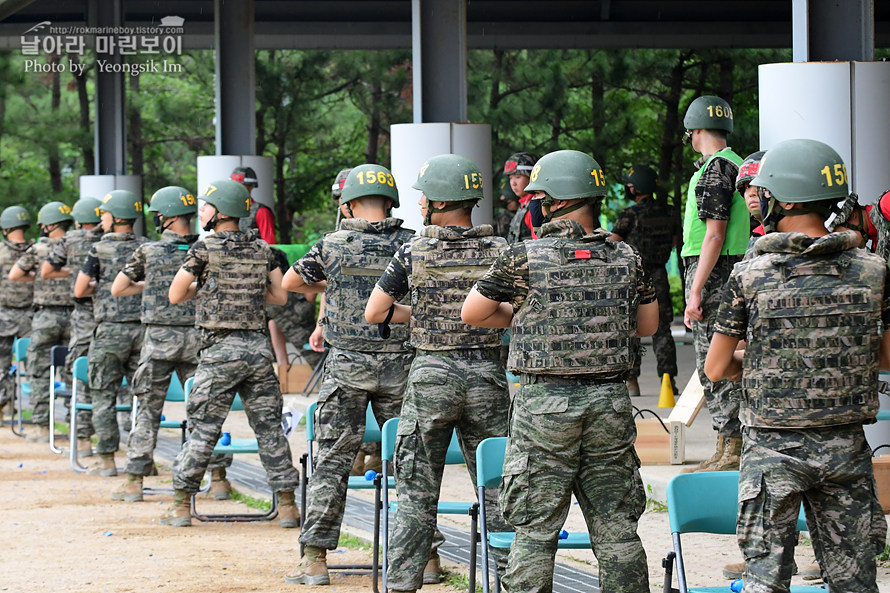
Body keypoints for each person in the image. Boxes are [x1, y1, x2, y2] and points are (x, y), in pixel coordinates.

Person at [462, 149, 657, 593]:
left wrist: (523, 315)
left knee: (534, 529)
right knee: (617, 528)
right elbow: (646, 325)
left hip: (543, 407)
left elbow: (473, 312)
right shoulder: (625, 257)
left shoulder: (523, 257)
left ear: (552, 201)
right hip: (609, 403)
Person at [704, 138, 889, 593]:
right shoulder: (872, 270)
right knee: (855, 582)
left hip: (772, 451)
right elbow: (885, 356)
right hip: (845, 444)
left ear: (782, 198)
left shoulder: (752, 273)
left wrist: (764, 361)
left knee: (766, 581)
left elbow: (716, 368)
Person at [365, 153, 511, 593]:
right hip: (487, 375)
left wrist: (427, 313)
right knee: (498, 490)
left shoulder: (414, 250)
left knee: (415, 494)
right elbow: (511, 315)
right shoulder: (501, 249)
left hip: (431, 376)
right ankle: (512, 581)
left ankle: (405, 584)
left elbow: (376, 312)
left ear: (437, 202)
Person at [281, 163, 415, 585]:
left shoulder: (333, 244)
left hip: (347, 368)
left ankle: (315, 561)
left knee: (332, 463)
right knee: (410, 466)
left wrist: (336, 288)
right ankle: (424, 559)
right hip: (402, 364)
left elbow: (289, 281)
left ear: (350, 203)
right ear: (390, 201)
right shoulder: (411, 244)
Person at [161, 179, 299, 528]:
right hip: (257, 352)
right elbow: (280, 297)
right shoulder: (262, 248)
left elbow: (177, 294)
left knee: (204, 429)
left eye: (206, 206)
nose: (201, 211)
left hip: (219, 352)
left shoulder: (203, 249)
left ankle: (180, 506)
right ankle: (287, 507)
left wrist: (209, 289)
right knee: (270, 430)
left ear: (221, 211)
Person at [107, 186, 233, 503]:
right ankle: (218, 479)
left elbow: (118, 288)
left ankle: (135, 481)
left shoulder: (148, 252)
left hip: (158, 342)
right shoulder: (207, 249)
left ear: (168, 217)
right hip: (198, 340)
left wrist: (152, 286)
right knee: (207, 414)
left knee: (147, 413)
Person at [680, 95, 748, 472]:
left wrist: (695, 290)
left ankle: (731, 448)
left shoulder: (714, 169)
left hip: (715, 272)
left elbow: (714, 234)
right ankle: (727, 446)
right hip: (728, 269)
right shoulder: (737, 165)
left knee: (714, 364)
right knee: (723, 362)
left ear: (697, 132)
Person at [74, 190, 148, 476]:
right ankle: (143, 460)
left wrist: (103, 288)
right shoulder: (147, 246)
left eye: (104, 213)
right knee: (143, 397)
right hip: (143, 331)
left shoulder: (99, 249)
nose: (100, 218)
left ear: (116, 217)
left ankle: (107, 461)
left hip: (110, 332)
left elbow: (80, 290)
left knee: (103, 395)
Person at [609, 163, 679, 397]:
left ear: (637, 188)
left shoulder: (630, 215)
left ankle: (632, 382)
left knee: (632, 327)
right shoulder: (669, 212)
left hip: (633, 276)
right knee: (662, 329)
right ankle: (668, 380)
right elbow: (674, 240)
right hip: (659, 274)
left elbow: (613, 242)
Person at [41, 197, 104, 456]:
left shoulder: (70, 240)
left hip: (83, 315)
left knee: (76, 374)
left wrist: (77, 274)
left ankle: (82, 439)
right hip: (112, 315)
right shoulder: (110, 239)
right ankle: (119, 434)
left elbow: (46, 271)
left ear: (78, 220)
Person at [9, 202, 75, 442]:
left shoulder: (38, 250)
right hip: (74, 315)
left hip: (45, 316)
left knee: (38, 371)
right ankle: (75, 427)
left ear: (48, 225)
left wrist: (40, 276)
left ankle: (41, 428)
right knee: (72, 372)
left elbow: (15, 275)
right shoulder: (75, 246)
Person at [0, 206, 34, 423]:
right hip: (32, 315)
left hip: (3, 315)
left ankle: (3, 408)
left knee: (1, 364)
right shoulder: (36, 251)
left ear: (6, 228)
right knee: (34, 364)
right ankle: (42, 412)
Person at [232, 165, 276, 244]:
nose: (235, 189)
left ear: (251, 187)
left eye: (240, 185)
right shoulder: (226, 210)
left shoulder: (261, 211)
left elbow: (270, 245)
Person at [504, 152, 538, 243]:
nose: (513, 183)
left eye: (518, 177)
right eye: (511, 178)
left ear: (532, 177)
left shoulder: (535, 206)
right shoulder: (525, 203)